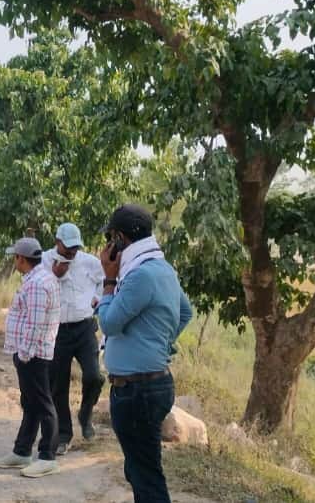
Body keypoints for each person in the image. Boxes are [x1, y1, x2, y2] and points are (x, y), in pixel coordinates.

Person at [95, 204, 193, 503]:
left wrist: (108, 280)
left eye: (111, 239)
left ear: (121, 240)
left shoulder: (138, 277)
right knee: (140, 469)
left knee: (145, 475)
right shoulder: (162, 269)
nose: (108, 248)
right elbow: (185, 312)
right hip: (151, 385)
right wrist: (159, 343)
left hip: (138, 390)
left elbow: (109, 323)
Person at [0, 237, 63, 479]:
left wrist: (24, 353)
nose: (14, 261)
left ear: (21, 259)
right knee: (31, 403)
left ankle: (47, 456)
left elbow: (35, 323)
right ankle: (22, 451)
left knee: (43, 404)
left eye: (15, 257)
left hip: (33, 354)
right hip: (32, 352)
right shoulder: (38, 279)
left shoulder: (36, 284)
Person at [40, 222, 107, 452]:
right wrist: (54, 276)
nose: (71, 252)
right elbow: (35, 286)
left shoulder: (89, 262)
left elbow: (103, 280)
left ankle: (86, 413)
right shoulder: (45, 261)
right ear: (57, 242)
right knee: (58, 384)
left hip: (84, 327)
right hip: (57, 329)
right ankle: (63, 435)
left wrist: (97, 298)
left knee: (94, 376)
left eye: (75, 248)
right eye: (67, 247)